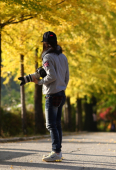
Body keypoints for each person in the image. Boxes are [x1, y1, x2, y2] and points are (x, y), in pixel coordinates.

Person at [32, 31, 69, 162]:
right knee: (57, 124)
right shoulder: (63, 57)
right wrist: (62, 87)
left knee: (51, 125)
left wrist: (39, 82)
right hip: (61, 93)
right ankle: (57, 150)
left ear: (46, 44)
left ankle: (56, 151)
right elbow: (66, 77)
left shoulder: (47, 57)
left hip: (52, 95)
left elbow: (51, 76)